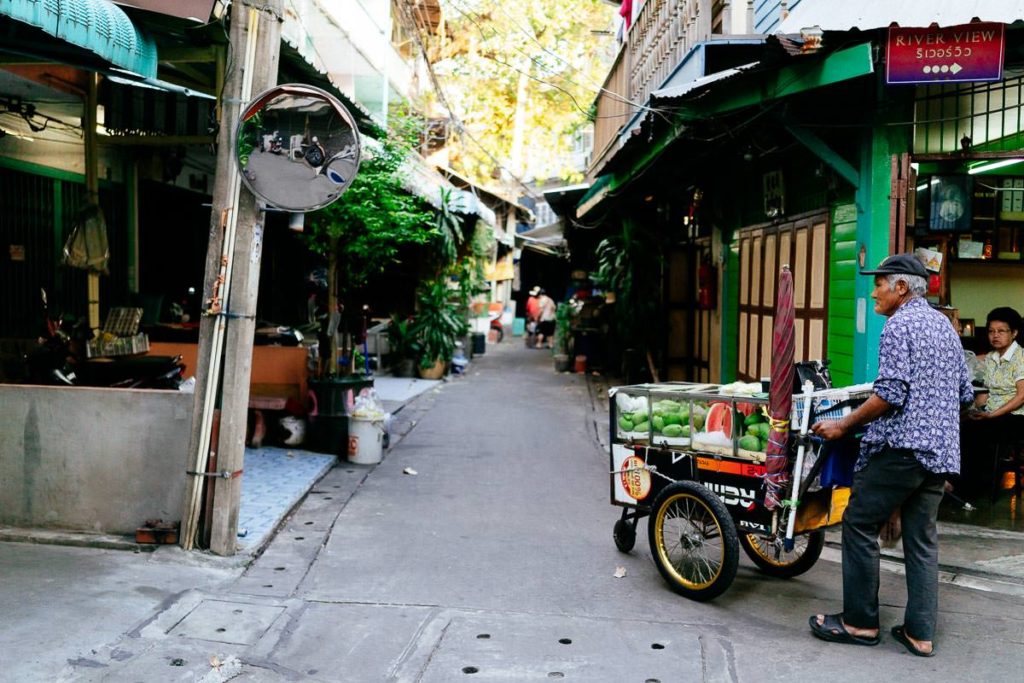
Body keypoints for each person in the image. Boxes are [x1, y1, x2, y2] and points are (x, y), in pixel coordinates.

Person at [808, 253, 973, 658]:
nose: (874, 290)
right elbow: (966, 395)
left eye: (879, 283)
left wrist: (843, 424)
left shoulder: (900, 325)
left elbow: (891, 393)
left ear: (902, 288)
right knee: (922, 541)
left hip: (901, 449)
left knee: (859, 523)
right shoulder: (945, 327)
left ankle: (859, 623)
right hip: (939, 452)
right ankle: (920, 633)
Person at [957, 307, 1024, 497]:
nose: (995, 335)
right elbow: (986, 391)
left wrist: (991, 415)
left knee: (974, 432)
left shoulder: (1020, 358)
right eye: (991, 331)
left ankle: (970, 488)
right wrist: (974, 410)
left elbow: (1021, 396)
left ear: (1014, 333)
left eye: (1001, 331)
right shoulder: (992, 358)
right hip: (993, 413)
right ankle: (958, 483)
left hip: (1016, 416)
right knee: (961, 424)